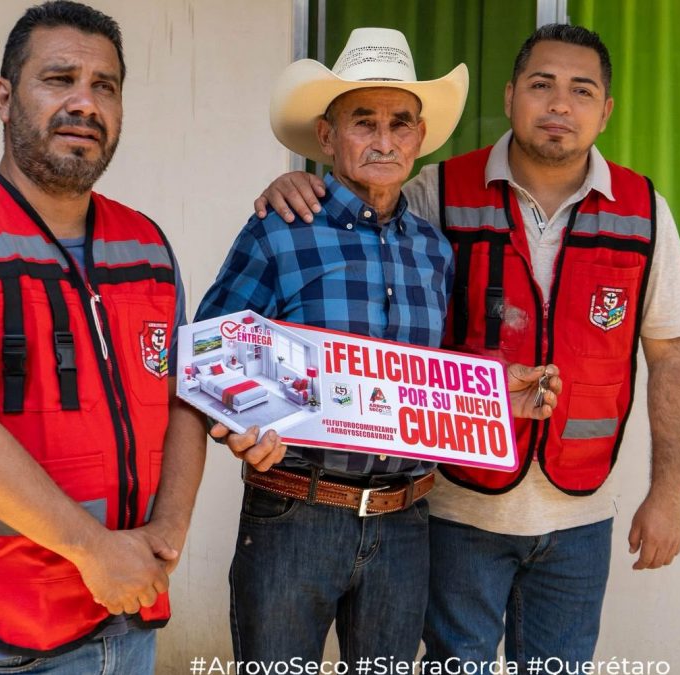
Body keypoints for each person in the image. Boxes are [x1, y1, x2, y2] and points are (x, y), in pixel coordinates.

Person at [255, 23, 680, 668]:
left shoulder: (644, 209)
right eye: (541, 85)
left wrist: (667, 496)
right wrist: (290, 187)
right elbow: (356, 220)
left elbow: (672, 359)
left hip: (582, 512)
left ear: (604, 111)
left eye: (581, 90)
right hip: (456, 507)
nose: (558, 104)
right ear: (511, 93)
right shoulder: (435, 191)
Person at [0, 2, 206, 672]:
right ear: (5, 97)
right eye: (60, 79)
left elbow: (185, 399)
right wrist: (95, 550)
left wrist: (165, 537)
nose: (85, 102)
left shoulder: (146, 244)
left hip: (129, 624)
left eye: (104, 86)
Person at [197, 28, 537, 667]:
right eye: (364, 122)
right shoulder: (282, 228)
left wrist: (494, 390)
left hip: (404, 519)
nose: (384, 140)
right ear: (326, 137)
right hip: (295, 511)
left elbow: (425, 378)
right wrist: (240, 423)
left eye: (401, 123)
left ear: (419, 137)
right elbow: (210, 361)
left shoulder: (433, 249)